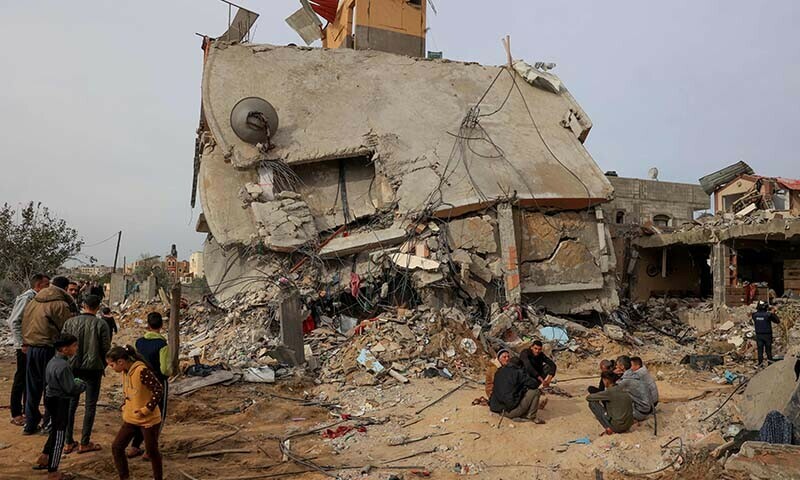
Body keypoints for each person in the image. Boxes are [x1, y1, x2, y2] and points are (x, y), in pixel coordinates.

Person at [22, 276, 75, 435]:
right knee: (51, 388)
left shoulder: (33, 301)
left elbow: (24, 322)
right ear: (65, 289)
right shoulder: (61, 305)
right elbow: (66, 330)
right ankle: (48, 424)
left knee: (32, 389)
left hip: (32, 348)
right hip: (49, 349)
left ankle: (30, 424)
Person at [61, 295, 110, 454]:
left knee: (70, 404)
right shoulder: (101, 324)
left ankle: (68, 442)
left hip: (72, 368)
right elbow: (106, 348)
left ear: (83, 305)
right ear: (98, 307)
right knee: (90, 405)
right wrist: (102, 363)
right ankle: (84, 442)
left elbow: (62, 345)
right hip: (93, 369)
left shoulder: (70, 322)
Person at [108, 345, 164, 480]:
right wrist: (125, 405)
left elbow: (158, 390)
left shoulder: (141, 371)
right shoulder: (125, 372)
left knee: (152, 451)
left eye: (111, 365)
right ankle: (124, 477)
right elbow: (130, 393)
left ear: (121, 362)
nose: (111, 368)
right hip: (131, 418)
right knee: (117, 447)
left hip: (148, 420)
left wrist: (146, 409)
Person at [34, 333, 86, 480]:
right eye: (74, 346)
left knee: (55, 430)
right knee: (59, 436)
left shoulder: (53, 361)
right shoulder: (63, 366)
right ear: (64, 349)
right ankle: (53, 471)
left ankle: (44, 457)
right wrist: (82, 384)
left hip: (50, 398)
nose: (76, 348)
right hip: (60, 401)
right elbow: (70, 388)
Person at [127, 312, 172, 459]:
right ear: (161, 325)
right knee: (157, 415)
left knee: (141, 411)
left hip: (141, 381)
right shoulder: (162, 345)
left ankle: (134, 446)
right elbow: (165, 369)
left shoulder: (139, 342)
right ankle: (150, 449)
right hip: (157, 381)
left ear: (147, 325)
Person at [6, 273, 50, 427]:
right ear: (38, 286)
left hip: (32, 344)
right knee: (21, 379)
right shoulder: (27, 298)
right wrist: (22, 343)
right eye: (46, 285)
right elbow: (14, 321)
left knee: (30, 380)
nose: (48, 288)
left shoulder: (38, 299)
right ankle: (16, 413)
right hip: (25, 346)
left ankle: (29, 412)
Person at [489, 356, 545, 424]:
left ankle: (518, 415)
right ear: (520, 366)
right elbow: (534, 384)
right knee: (535, 391)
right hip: (509, 411)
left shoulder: (498, 371)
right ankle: (531, 416)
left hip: (496, 408)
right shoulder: (519, 373)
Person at [586, 371, 634, 436]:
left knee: (592, 403)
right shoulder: (621, 388)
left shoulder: (609, 392)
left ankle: (608, 428)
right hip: (628, 424)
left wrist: (599, 398)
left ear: (606, 380)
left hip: (618, 427)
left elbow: (589, 398)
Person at [616, 355, 653, 421]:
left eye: (617, 365)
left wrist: (611, 375)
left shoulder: (626, 380)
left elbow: (611, 390)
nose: (616, 367)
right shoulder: (634, 374)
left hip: (640, 413)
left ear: (622, 366)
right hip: (647, 408)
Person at [752, 301, 780, 365]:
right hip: (767, 335)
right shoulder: (768, 315)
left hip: (758, 335)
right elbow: (777, 321)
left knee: (760, 350)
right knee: (768, 350)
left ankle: (760, 363)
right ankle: (770, 363)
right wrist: (773, 313)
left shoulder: (754, 315)